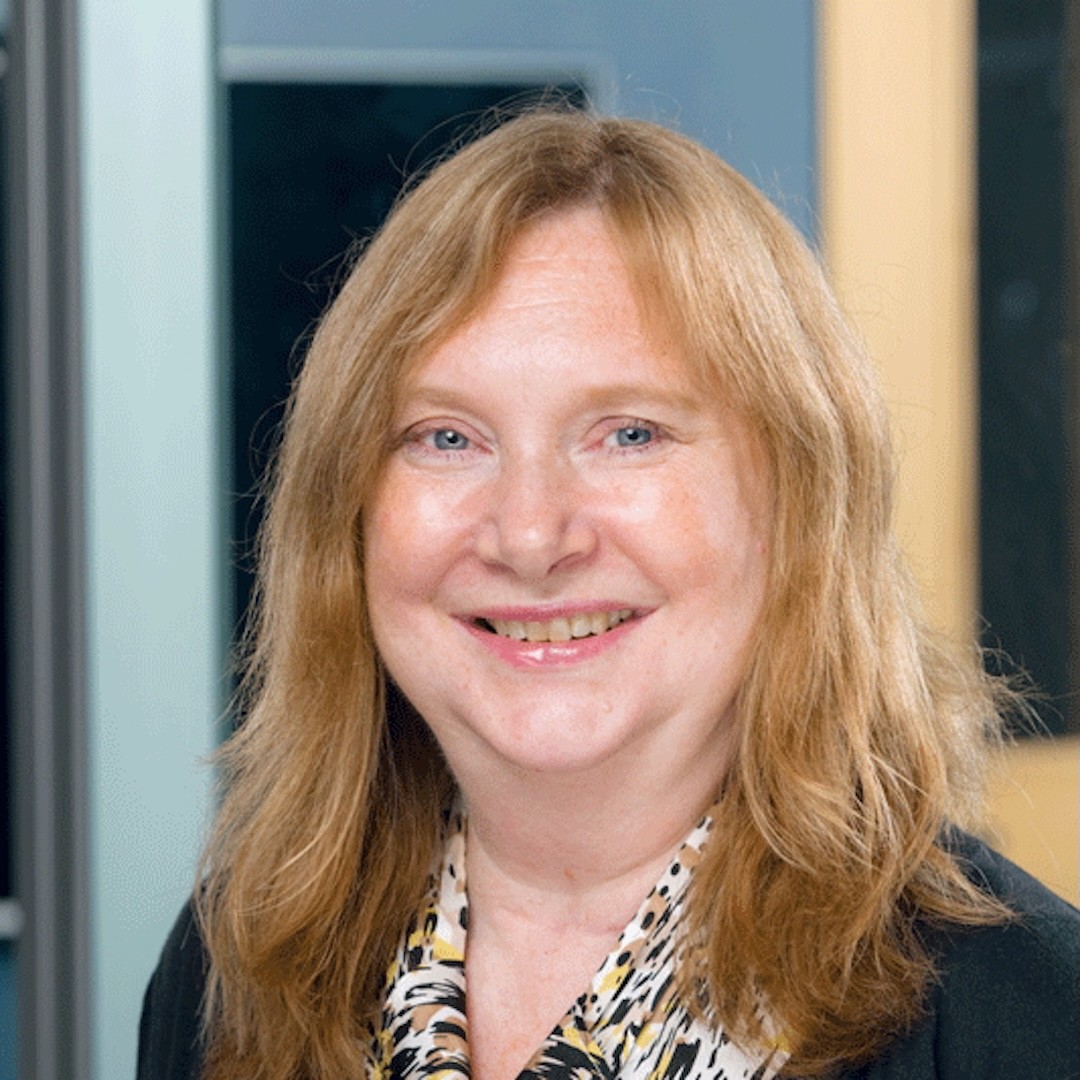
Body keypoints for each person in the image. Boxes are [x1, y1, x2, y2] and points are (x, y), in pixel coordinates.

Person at [138, 109, 1079, 1080]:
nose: (530, 536)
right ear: (350, 513)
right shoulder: (233, 970)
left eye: (629, 433)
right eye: (447, 437)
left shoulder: (1031, 1021)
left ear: (800, 501)